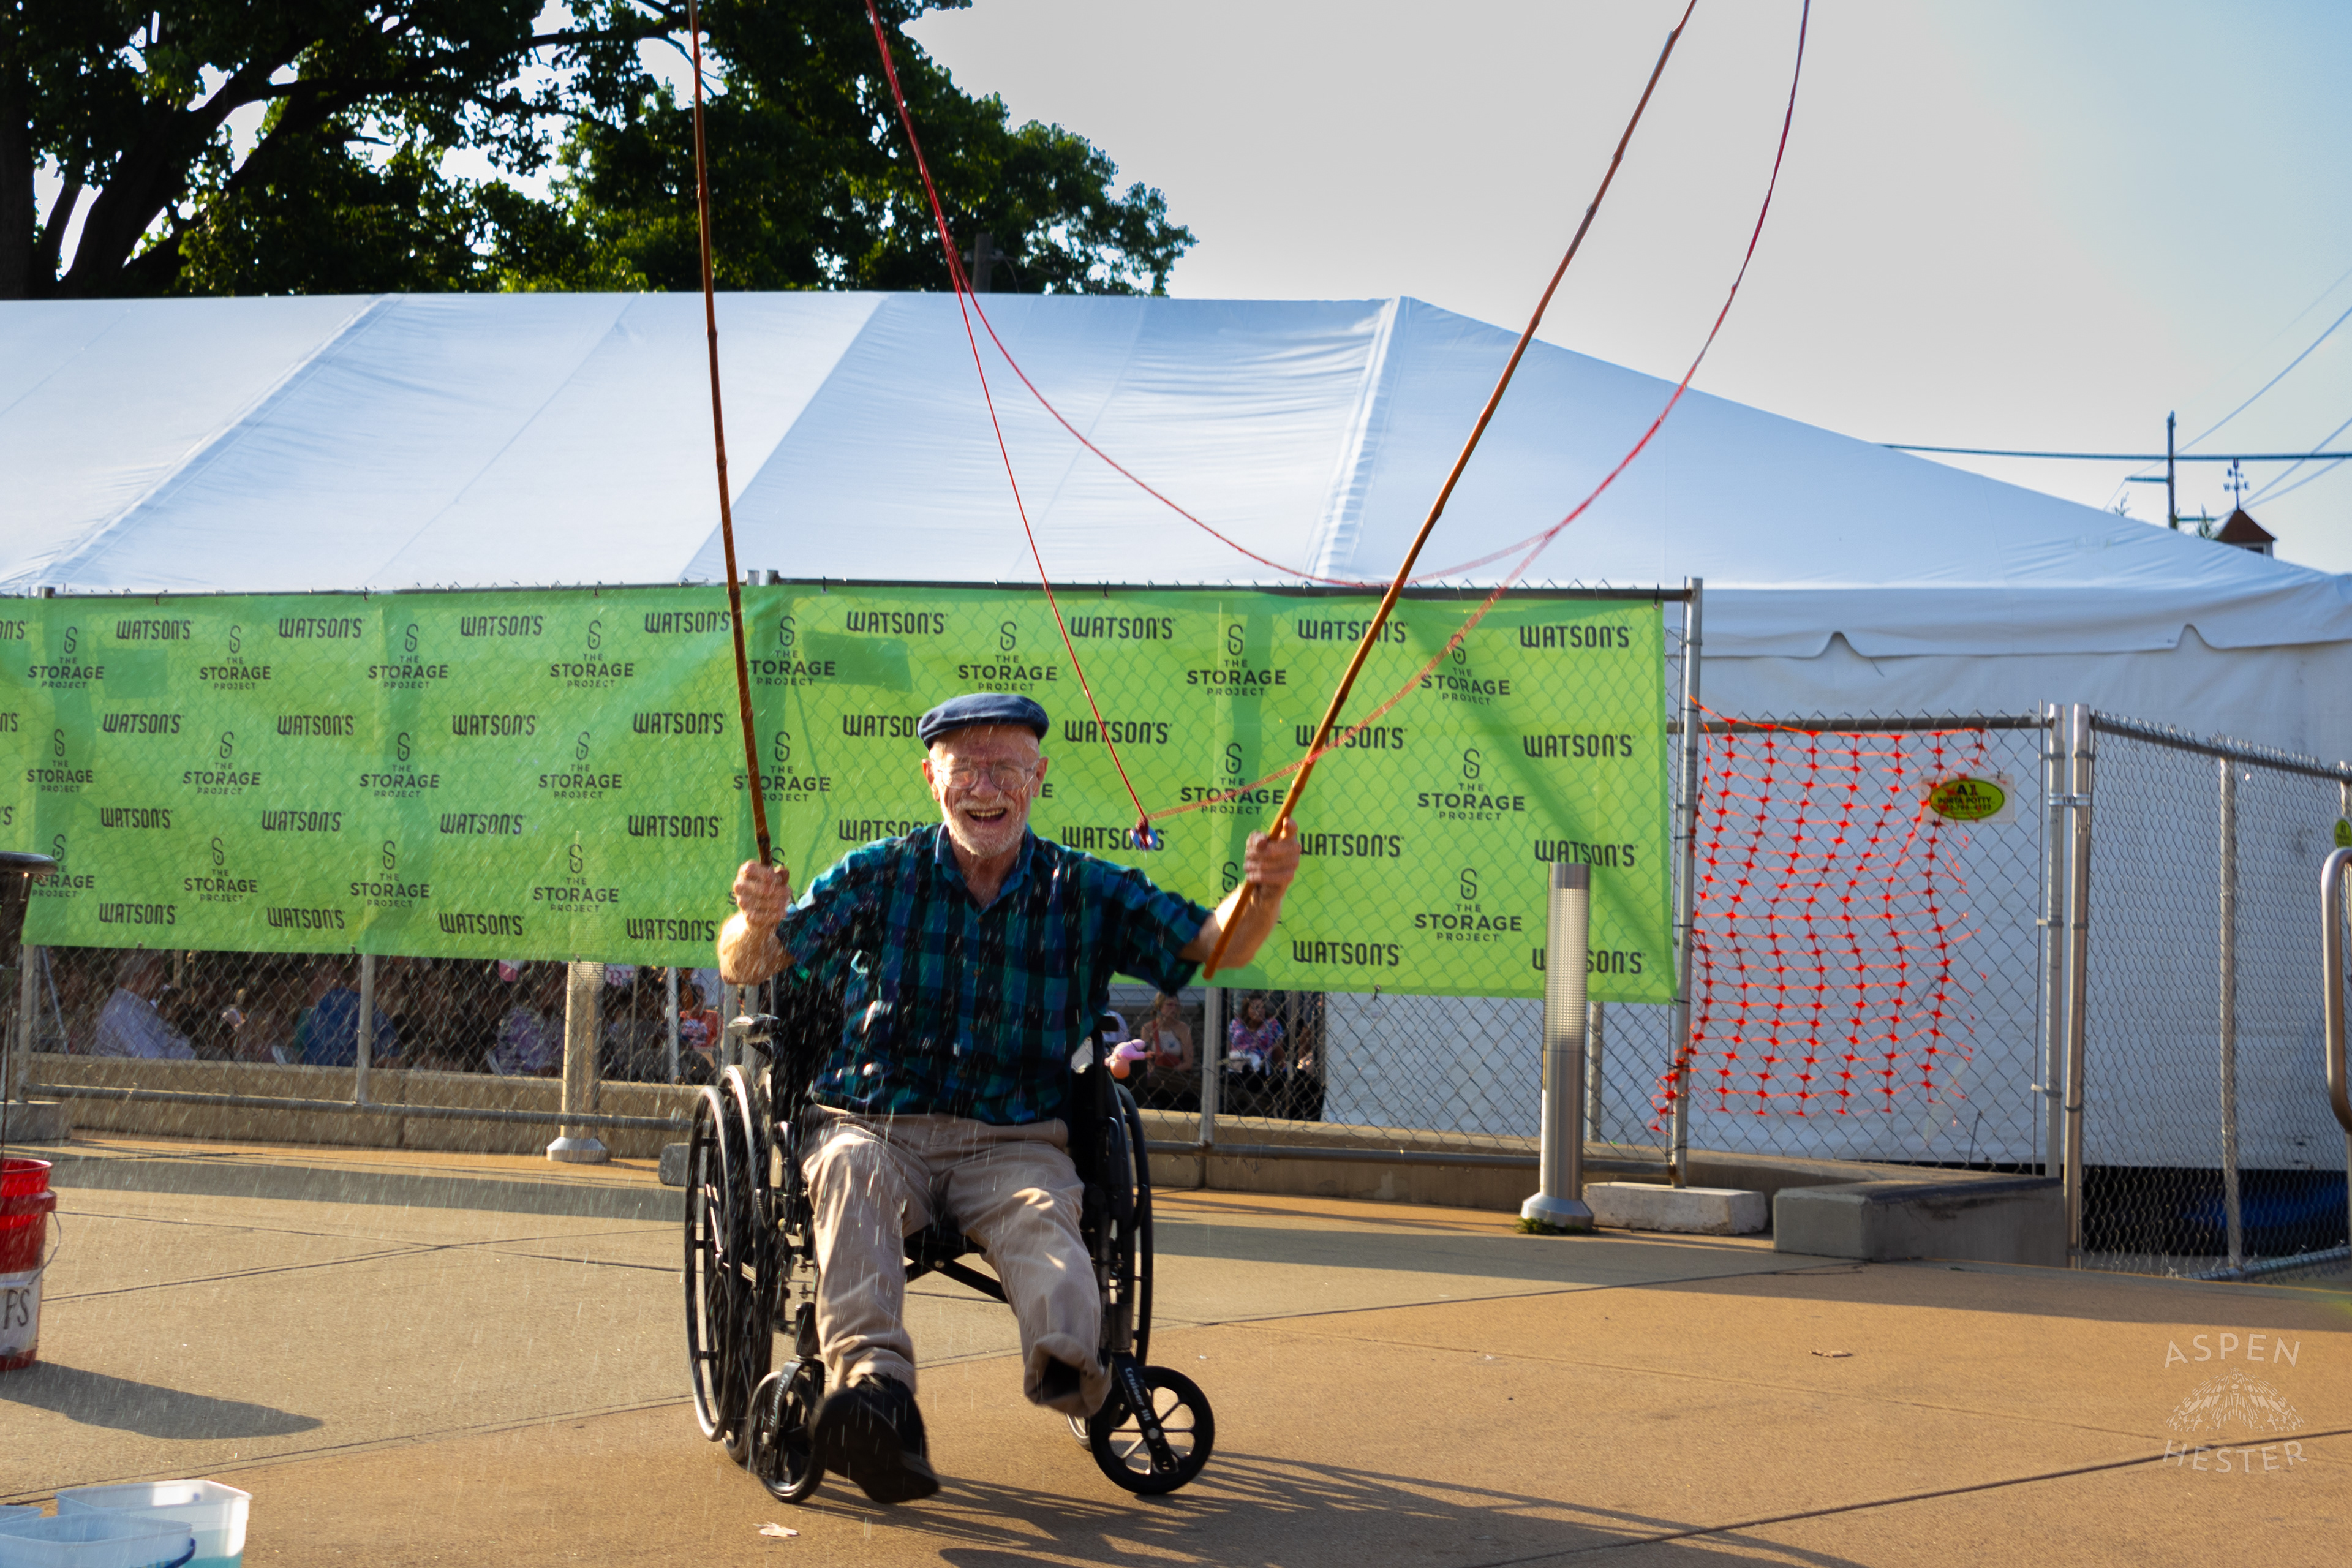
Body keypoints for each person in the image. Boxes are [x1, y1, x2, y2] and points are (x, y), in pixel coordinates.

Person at [721, 690, 1298, 1505]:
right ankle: (873, 1398)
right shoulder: (878, 873)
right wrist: (754, 921)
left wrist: (1264, 891)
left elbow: (1214, 944)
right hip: (876, 1125)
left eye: (1006, 768)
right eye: (966, 768)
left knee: (1042, 1215)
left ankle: (1071, 1363)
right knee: (850, 1173)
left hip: (1018, 1140)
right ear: (932, 777)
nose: (986, 787)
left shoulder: (1083, 887)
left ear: (1038, 778)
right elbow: (751, 962)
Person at [293, 956, 399, 1069]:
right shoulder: (376, 1015)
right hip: (350, 1078)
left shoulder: (326, 1003)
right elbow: (391, 1063)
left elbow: (301, 1050)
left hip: (317, 1075)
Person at [91, 951, 196, 1060]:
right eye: (159, 971)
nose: (164, 976)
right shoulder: (123, 1011)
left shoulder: (135, 1004)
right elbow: (153, 1062)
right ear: (139, 978)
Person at [491, 964, 567, 1076]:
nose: (564, 986)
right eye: (558, 980)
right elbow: (547, 1073)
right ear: (540, 987)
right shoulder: (522, 1021)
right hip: (522, 1089)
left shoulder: (553, 1020)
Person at [1226, 993, 1284, 1072]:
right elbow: (1229, 1046)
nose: (1260, 1010)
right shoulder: (1236, 1023)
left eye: (1262, 1007)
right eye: (1255, 1008)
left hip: (1261, 1067)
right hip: (1237, 1063)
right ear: (1247, 1010)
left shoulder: (1272, 1024)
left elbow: (1279, 1055)